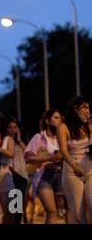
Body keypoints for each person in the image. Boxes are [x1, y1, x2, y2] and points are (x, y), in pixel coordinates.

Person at [25, 109, 64, 224]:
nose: (59, 120)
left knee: (61, 211)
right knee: (51, 212)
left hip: (61, 175)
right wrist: (48, 158)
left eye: (60, 118)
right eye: (55, 118)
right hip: (44, 177)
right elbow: (27, 158)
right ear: (47, 121)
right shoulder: (39, 137)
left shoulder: (62, 137)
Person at [57, 96, 92, 224]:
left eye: (88, 107)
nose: (87, 110)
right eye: (84, 108)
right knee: (78, 214)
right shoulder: (63, 127)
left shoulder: (88, 125)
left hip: (90, 168)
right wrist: (74, 167)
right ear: (75, 109)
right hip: (73, 171)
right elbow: (63, 151)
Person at [7, 118, 29, 224]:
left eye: (15, 127)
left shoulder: (22, 141)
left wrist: (19, 140)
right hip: (10, 174)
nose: (12, 130)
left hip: (22, 175)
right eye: (10, 127)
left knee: (20, 203)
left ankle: (19, 220)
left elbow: (28, 152)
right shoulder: (5, 141)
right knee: (13, 203)